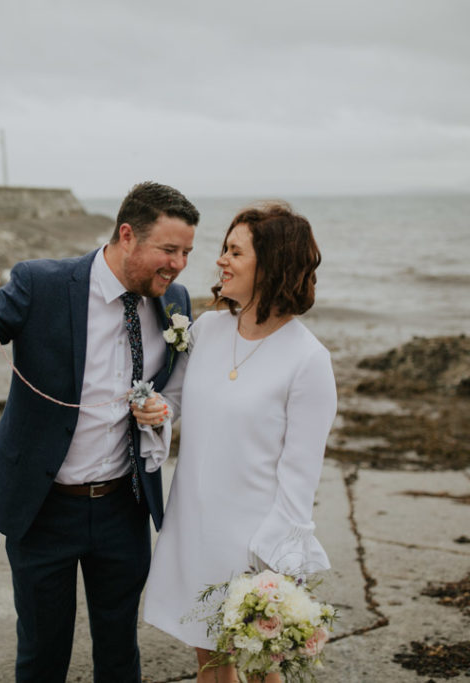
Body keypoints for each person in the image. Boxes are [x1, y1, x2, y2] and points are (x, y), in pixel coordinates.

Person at [0, 181, 199, 683]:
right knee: (42, 652)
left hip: (125, 503)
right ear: (127, 236)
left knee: (120, 651)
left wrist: (162, 411)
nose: (179, 264)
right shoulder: (42, 283)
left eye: (186, 252)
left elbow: (176, 388)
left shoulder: (176, 300)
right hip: (43, 506)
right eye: (168, 250)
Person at [134, 202, 337, 683]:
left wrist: (277, 561)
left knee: (263, 669)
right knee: (211, 663)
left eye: (234, 251)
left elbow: (300, 473)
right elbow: (176, 401)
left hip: (252, 541)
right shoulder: (207, 329)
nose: (220, 260)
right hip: (194, 525)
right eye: (224, 248)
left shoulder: (308, 359)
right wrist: (155, 412)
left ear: (271, 264)